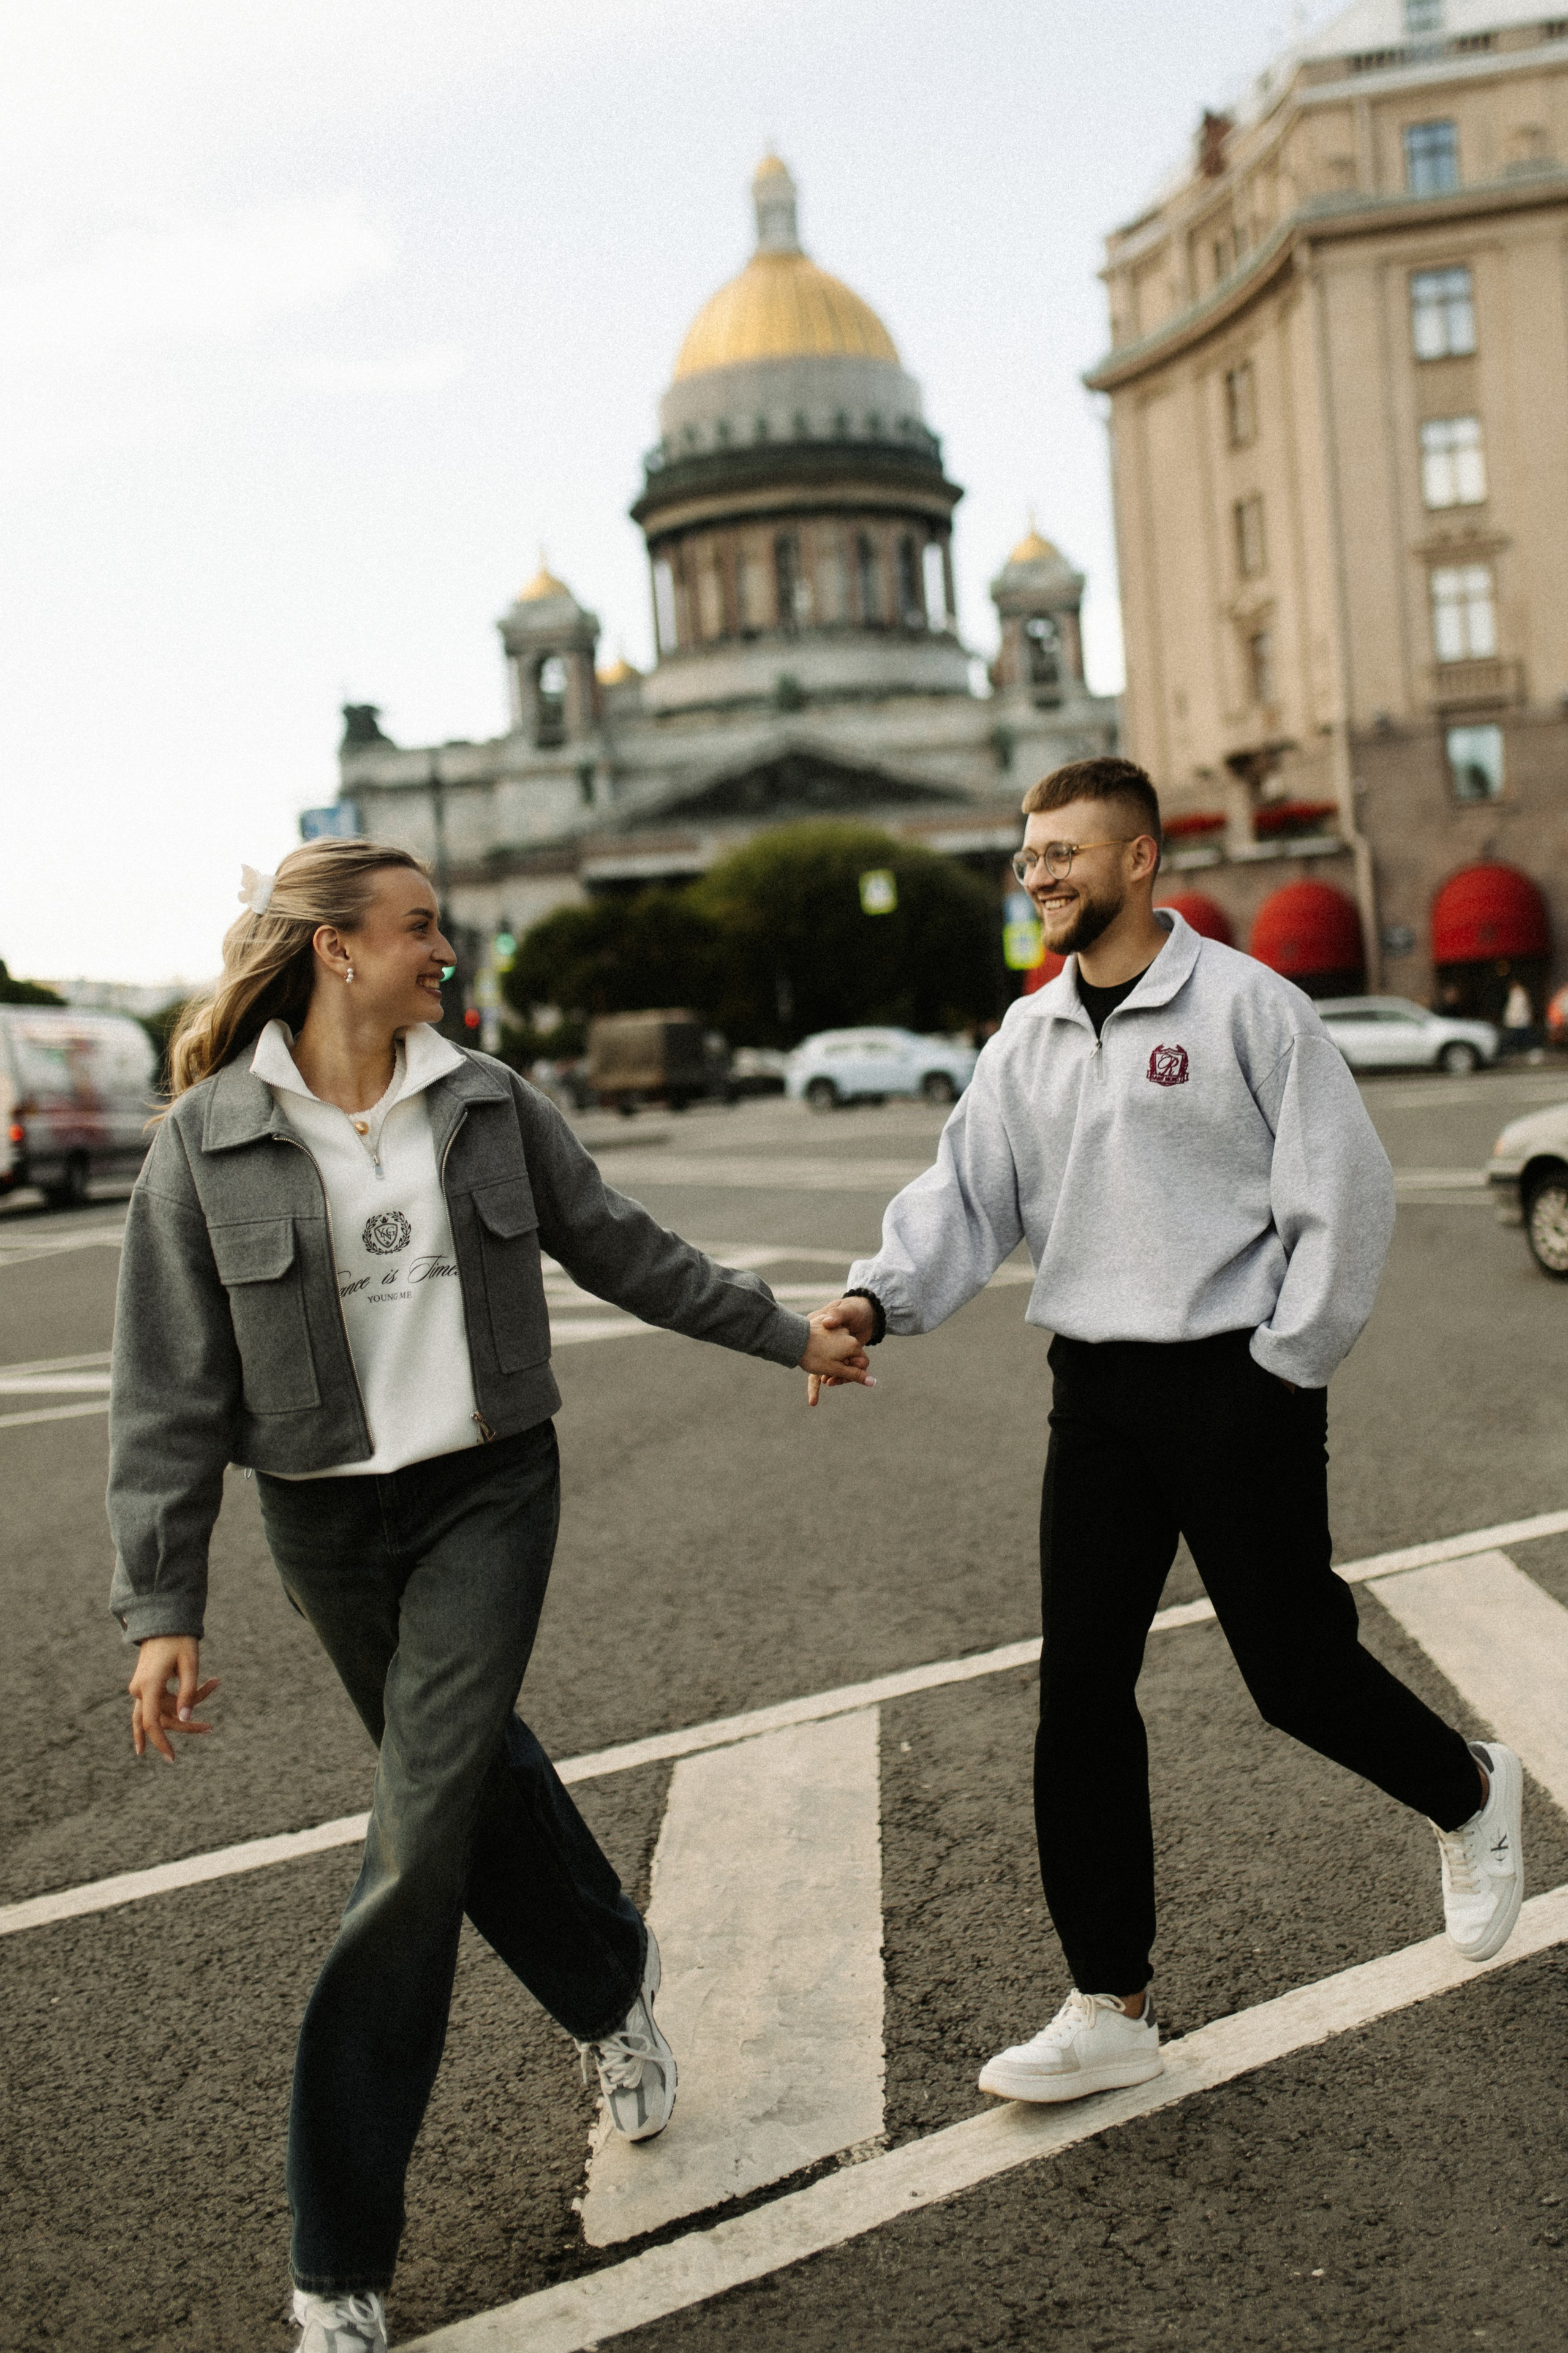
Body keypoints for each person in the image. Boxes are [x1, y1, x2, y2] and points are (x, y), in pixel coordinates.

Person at [108, 839, 870, 2353]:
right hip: (324, 1523)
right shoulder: (207, 1139)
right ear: (334, 950)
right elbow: (168, 1389)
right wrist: (163, 1605)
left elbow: (621, 1249)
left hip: (485, 1491)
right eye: (417, 928)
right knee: (464, 1780)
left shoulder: (483, 1100)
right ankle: (611, 1994)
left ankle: (336, 2253)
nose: (441, 950)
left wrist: (784, 1333)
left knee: (414, 1841)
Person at [809, 757, 1523, 2106]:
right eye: (1029, 858)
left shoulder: (1249, 1006)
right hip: (1096, 1392)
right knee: (1078, 1688)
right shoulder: (1027, 1036)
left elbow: (1342, 1192)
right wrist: (873, 1298)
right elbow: (962, 1195)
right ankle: (1109, 1999)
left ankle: (1467, 1790)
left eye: (1064, 854)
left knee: (1292, 1671)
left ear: (1138, 861)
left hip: (1234, 1381)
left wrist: (1284, 1363)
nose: (1040, 877)